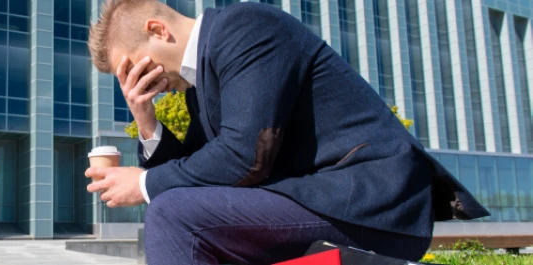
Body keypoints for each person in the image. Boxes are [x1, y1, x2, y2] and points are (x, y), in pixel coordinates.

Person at [84, 1, 490, 264]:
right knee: (177, 208)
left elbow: (244, 157)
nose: (135, 82)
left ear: (158, 30)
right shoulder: (199, 87)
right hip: (314, 201)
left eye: (133, 68)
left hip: (368, 202)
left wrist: (144, 183)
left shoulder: (245, 28)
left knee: (174, 215)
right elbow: (195, 174)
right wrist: (145, 118)